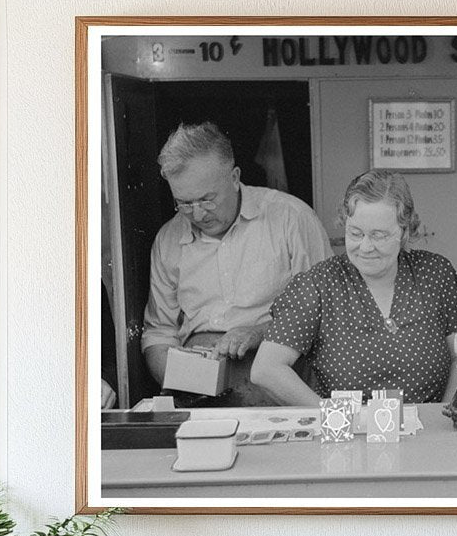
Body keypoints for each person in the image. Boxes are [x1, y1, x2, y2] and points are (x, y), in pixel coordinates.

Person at [250, 170, 457, 404]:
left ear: (404, 232)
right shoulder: (318, 285)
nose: (365, 247)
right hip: (346, 434)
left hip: (425, 430)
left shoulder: (434, 274)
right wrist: (332, 417)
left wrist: (443, 415)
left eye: (379, 235)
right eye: (355, 233)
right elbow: (266, 370)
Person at [141, 121, 332, 404]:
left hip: (280, 381)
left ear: (234, 177)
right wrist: (178, 379)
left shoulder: (291, 219)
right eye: (184, 203)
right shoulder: (168, 239)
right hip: (198, 390)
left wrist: (259, 333)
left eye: (207, 199)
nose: (197, 213)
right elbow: (159, 332)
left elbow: (328, 312)